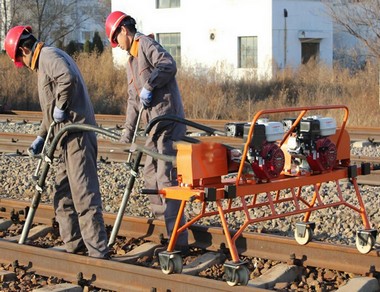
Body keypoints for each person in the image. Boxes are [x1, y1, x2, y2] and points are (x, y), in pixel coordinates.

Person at [4, 26, 110, 259]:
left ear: (24, 49)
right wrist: (42, 135)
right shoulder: (45, 62)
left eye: (20, 59)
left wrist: (62, 107)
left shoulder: (49, 57)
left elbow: (67, 78)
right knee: (62, 194)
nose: (24, 65)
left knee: (84, 195)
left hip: (76, 137)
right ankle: (74, 246)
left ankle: (98, 254)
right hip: (61, 140)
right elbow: (50, 110)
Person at [105, 11, 189, 252]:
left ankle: (178, 241)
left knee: (166, 178)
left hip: (169, 122)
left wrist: (150, 84)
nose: (117, 46)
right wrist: (127, 133)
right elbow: (134, 100)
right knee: (150, 175)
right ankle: (169, 226)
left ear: (124, 30)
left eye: (115, 39)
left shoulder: (146, 44)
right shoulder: (131, 62)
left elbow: (168, 64)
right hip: (153, 128)